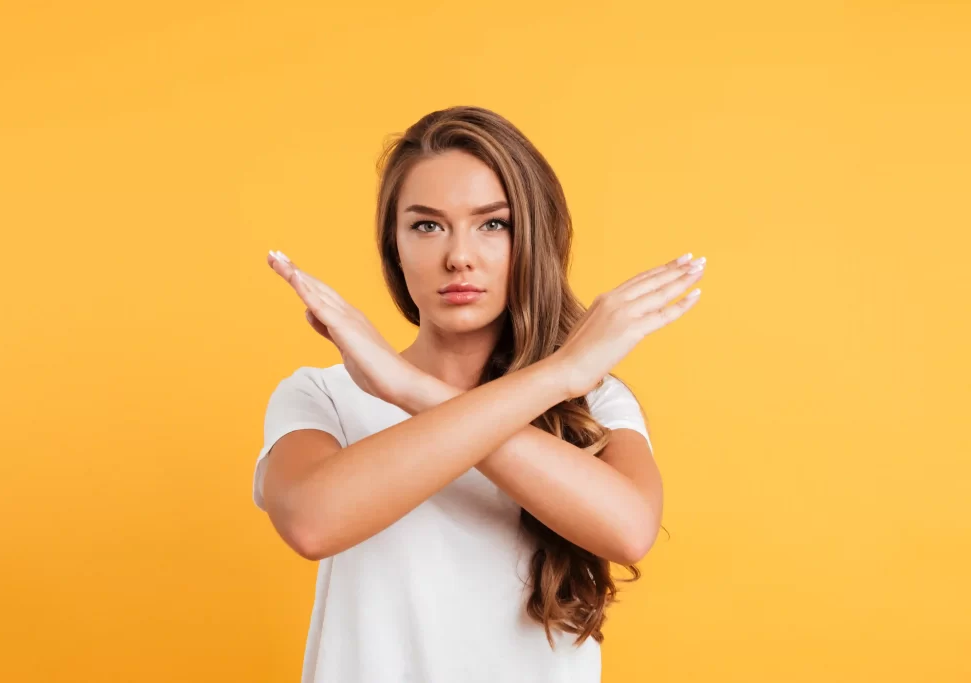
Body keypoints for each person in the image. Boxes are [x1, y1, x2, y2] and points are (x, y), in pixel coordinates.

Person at [253, 106, 706, 683]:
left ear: (533, 238)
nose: (459, 256)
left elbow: (630, 530)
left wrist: (412, 390)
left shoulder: (592, 401)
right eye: (427, 225)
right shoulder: (323, 395)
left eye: (493, 224)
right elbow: (312, 524)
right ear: (394, 248)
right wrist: (555, 373)